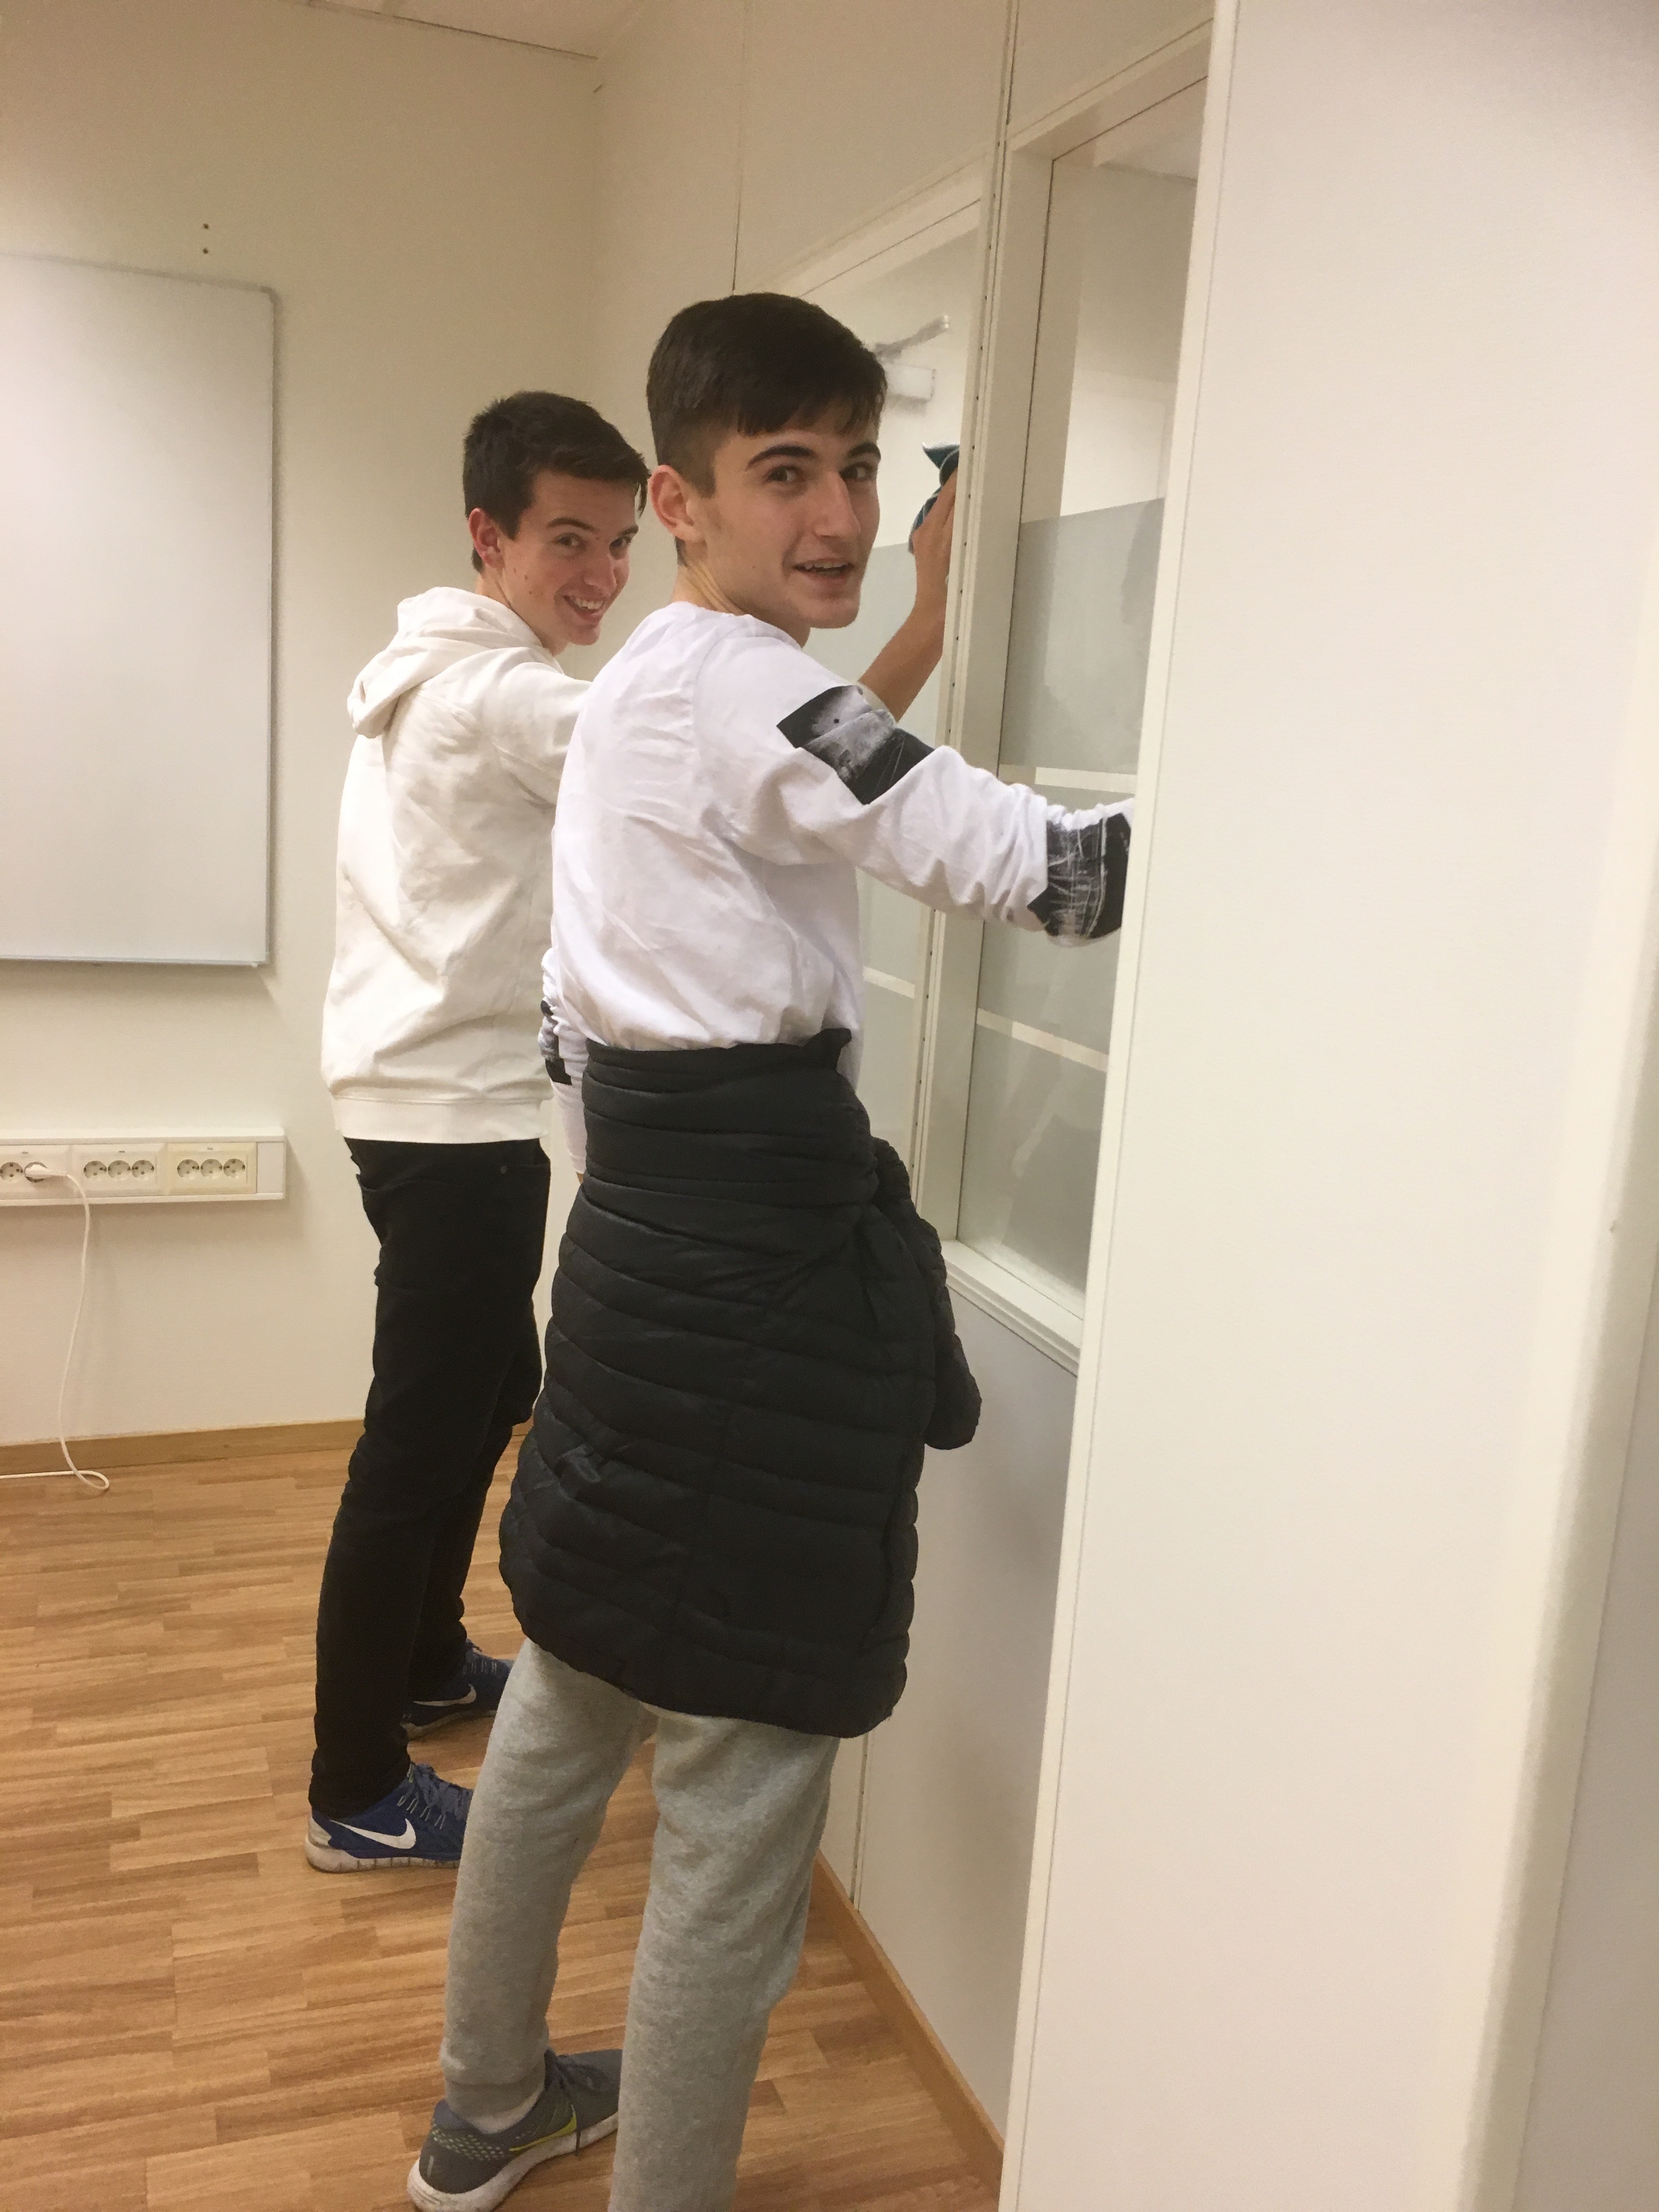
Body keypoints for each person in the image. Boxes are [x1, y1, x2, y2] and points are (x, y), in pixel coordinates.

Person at [405, 295, 1130, 2211]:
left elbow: (591, 1012)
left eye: (861, 466)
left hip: (633, 1267)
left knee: (566, 1707)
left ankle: (484, 2112)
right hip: (754, 1289)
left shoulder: (644, 688)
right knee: (738, 1803)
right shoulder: (746, 691)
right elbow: (1044, 871)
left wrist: (927, 615)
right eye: (784, 471)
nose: (838, 514)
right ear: (685, 499)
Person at [308, 391, 958, 1877]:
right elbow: (805, 760)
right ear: (488, 538)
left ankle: (423, 1664)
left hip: (426, 1100)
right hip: (457, 1117)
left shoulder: (443, 673)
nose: (601, 575)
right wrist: (926, 612)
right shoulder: (507, 700)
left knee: (491, 1392)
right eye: (568, 543)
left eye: (615, 543)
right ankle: (354, 1786)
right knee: (418, 1443)